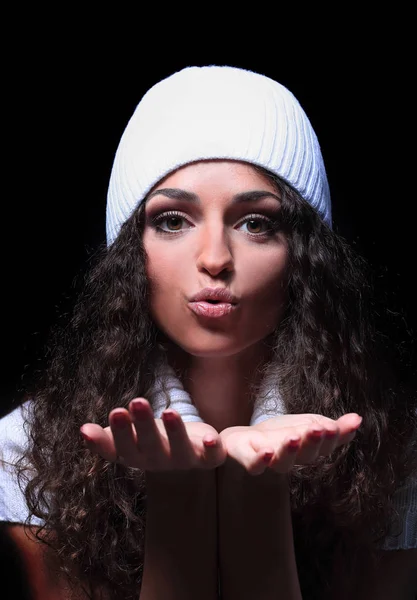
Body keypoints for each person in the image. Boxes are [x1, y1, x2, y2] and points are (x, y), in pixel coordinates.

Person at [0, 65, 416, 600]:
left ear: (306, 257)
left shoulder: (396, 454)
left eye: (256, 223)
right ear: (129, 250)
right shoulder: (23, 455)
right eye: (173, 220)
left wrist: (257, 489)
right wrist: (180, 492)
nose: (215, 259)